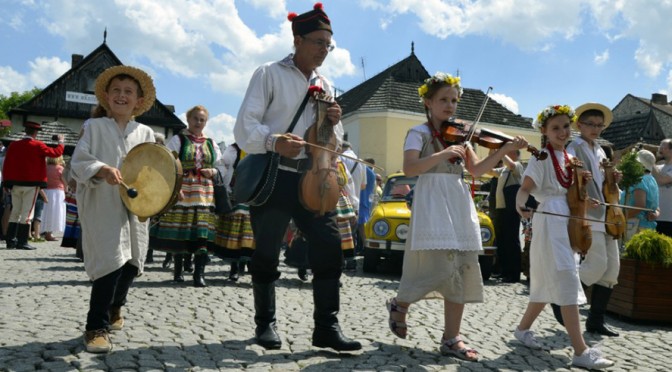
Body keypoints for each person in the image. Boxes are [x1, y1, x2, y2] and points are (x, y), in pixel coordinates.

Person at [233, 2, 361, 352]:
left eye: (328, 45)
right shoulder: (268, 73)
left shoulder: (326, 84)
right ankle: (265, 324)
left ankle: (326, 328)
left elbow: (334, 144)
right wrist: (275, 142)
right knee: (267, 253)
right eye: (318, 42)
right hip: (276, 177)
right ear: (298, 39)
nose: (324, 50)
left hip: (315, 180)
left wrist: (334, 124)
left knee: (330, 248)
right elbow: (245, 128)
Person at [385, 72, 527, 362]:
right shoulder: (418, 133)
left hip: (458, 200)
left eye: (453, 100)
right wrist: (443, 154)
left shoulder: (462, 136)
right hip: (432, 200)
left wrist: (505, 150)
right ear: (428, 102)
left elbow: (476, 171)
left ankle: (451, 338)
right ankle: (400, 302)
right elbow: (410, 168)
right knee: (435, 267)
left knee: (461, 268)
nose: (450, 106)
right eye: (443, 100)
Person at [512, 104, 614, 369]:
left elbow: (570, 193)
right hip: (551, 222)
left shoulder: (569, 157)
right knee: (567, 277)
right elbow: (525, 189)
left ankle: (522, 330)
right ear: (544, 131)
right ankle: (581, 350)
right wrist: (520, 203)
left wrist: (585, 199)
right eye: (555, 128)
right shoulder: (542, 156)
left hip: (568, 220)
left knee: (547, 282)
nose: (562, 132)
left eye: (566, 126)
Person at [70, 65, 156, 353]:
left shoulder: (145, 132)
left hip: (135, 204)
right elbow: (79, 161)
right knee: (110, 262)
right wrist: (102, 169)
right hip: (103, 203)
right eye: (116, 90)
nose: (122, 95)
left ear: (139, 101)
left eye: (128, 92)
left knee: (132, 263)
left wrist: (160, 192)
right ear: (106, 96)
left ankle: (116, 306)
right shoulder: (93, 127)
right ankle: (96, 327)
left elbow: (154, 168)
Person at [558, 103, 621, 336]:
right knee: (597, 265)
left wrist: (612, 178)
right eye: (590, 125)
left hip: (607, 213)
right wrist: (584, 194)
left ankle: (596, 321)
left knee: (612, 270)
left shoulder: (602, 150)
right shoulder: (574, 147)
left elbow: (602, 182)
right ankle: (563, 298)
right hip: (589, 213)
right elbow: (570, 177)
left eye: (599, 125)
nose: (595, 129)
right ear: (579, 125)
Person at [150, 105, 222, 287]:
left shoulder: (211, 143)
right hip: (184, 189)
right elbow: (168, 163)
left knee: (202, 232)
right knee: (182, 230)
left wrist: (212, 171)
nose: (198, 123)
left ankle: (199, 273)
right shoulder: (178, 139)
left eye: (202, 120)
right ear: (189, 120)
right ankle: (178, 271)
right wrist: (175, 188)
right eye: (195, 119)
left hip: (205, 192)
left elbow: (222, 166)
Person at [3, 121, 64, 250]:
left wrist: (6, 182)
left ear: (25, 131)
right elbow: (55, 153)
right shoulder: (38, 145)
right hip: (31, 184)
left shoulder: (14, 145)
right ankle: (22, 242)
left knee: (15, 212)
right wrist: (61, 142)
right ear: (36, 132)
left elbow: (7, 165)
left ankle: (10, 240)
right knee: (27, 214)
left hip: (15, 184)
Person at [213, 142, 254, 282]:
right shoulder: (234, 149)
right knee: (236, 233)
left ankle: (250, 264)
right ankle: (234, 267)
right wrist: (225, 181)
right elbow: (221, 164)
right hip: (235, 194)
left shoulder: (260, 148)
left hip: (254, 194)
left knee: (251, 232)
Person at [489, 149, 524, 283]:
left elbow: (511, 165)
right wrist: (492, 156)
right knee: (502, 241)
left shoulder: (518, 165)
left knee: (511, 241)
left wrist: (500, 152)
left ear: (514, 154)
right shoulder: (503, 170)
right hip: (501, 208)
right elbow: (491, 171)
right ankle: (504, 271)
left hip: (511, 208)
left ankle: (514, 274)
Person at [620, 149, 660, 234]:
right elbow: (656, 207)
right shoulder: (652, 180)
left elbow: (640, 206)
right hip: (647, 227)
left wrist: (620, 217)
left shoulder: (639, 180)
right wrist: (655, 213)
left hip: (635, 226)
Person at [42, 156, 67, 241]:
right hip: (57, 192)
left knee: (47, 212)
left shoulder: (45, 168)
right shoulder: (60, 168)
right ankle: (50, 233)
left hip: (46, 191)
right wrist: (66, 190)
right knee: (55, 212)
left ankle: (46, 232)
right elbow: (64, 181)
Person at [355, 158, 377, 255]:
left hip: (360, 202)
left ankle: (365, 247)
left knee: (360, 228)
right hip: (366, 203)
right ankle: (365, 247)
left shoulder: (363, 169)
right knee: (363, 227)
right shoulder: (372, 174)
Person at [653, 139, 672, 237]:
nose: (659, 149)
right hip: (656, 216)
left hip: (670, 217)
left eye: (663, 147)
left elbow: (662, 181)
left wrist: (650, 162)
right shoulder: (658, 167)